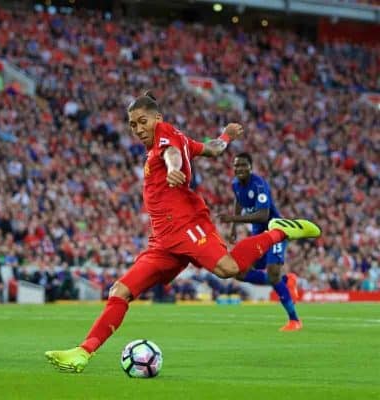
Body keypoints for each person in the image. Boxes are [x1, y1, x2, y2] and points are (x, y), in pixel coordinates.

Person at [45, 91, 321, 372]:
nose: (138, 129)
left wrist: (173, 169)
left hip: (187, 225)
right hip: (163, 241)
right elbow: (212, 149)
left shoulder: (166, 137)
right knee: (120, 290)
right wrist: (225, 137)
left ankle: (279, 231)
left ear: (158, 118)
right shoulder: (177, 140)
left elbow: (173, 154)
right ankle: (83, 352)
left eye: (143, 122)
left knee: (229, 268)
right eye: (133, 125)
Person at [219, 152, 301, 331]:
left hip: (275, 230)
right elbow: (239, 201)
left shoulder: (259, 185)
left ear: (251, 167)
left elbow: (263, 215)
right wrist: (233, 226)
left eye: (243, 165)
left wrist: (233, 218)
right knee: (239, 272)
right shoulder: (235, 185)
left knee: (272, 274)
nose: (240, 168)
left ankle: (294, 320)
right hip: (258, 235)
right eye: (237, 165)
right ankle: (286, 280)